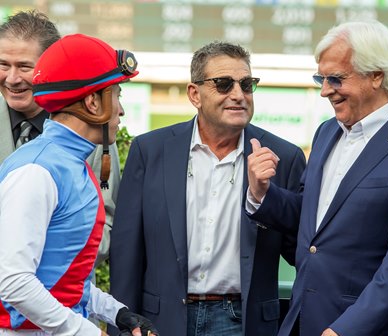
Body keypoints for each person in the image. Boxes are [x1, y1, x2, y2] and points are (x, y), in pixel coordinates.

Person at [246, 20, 388, 336]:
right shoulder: (327, 132)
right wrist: (263, 193)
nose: (325, 90)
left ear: (376, 76)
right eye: (321, 78)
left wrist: (344, 330)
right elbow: (312, 219)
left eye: (336, 79)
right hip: (301, 323)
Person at [109, 41, 306, 336]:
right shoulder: (150, 150)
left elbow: (302, 251)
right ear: (194, 94)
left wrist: (264, 197)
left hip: (243, 322)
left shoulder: (282, 158)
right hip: (161, 321)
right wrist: (122, 325)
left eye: (247, 84)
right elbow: (127, 252)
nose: (238, 95)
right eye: (224, 84)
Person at [0, 33, 158, 336]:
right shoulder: (37, 170)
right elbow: (15, 282)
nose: (121, 110)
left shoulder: (70, 164)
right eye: (117, 95)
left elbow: (63, 278)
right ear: (92, 102)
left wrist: (119, 313)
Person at [0, 10, 118, 267]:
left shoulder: (96, 131)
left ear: (50, 69)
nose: (12, 78)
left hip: (60, 289)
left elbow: (105, 221)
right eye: (3, 65)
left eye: (24, 67)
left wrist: (50, 263)